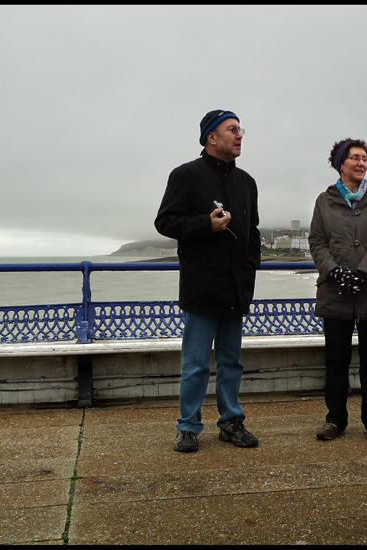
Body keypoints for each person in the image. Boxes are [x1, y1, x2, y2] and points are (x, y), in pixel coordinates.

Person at [154, 109, 262, 453]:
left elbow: (253, 231)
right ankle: (187, 427)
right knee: (196, 365)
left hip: (236, 286)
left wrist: (251, 266)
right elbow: (165, 222)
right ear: (211, 138)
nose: (240, 135)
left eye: (240, 129)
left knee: (232, 362)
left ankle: (231, 422)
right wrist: (205, 224)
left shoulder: (247, 182)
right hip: (201, 286)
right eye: (232, 130)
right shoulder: (185, 175)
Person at [308, 138, 367, 442]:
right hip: (335, 292)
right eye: (355, 158)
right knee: (336, 362)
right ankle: (335, 419)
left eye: (364, 158)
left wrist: (363, 272)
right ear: (340, 164)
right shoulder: (324, 200)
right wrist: (334, 272)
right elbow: (317, 241)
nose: (361, 163)